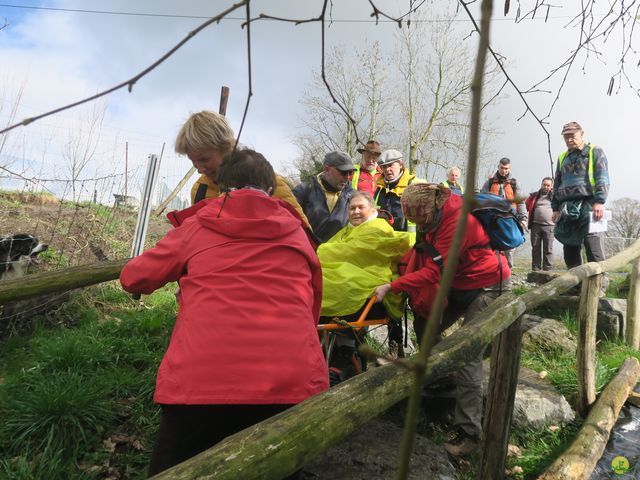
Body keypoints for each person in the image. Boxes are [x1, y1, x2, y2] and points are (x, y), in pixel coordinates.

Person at [120, 149, 328, 477]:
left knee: (178, 470)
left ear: (222, 185)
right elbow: (313, 303)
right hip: (289, 381)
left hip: (199, 384)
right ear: (271, 190)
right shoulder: (300, 235)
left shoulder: (197, 226)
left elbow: (134, 277)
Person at [374, 183, 510, 457]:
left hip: (487, 284)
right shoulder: (431, 216)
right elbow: (423, 251)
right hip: (460, 282)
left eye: (417, 218)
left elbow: (434, 273)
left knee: (467, 354)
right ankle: (442, 377)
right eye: (409, 217)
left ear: (431, 209)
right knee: (425, 323)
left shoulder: (457, 223)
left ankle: (469, 433)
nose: (414, 222)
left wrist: (393, 286)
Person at [318, 191, 414, 382]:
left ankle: (344, 355)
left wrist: (327, 251)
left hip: (373, 279)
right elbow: (326, 254)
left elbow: (356, 252)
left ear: (372, 209)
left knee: (346, 286)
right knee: (318, 280)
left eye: (361, 207)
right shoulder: (345, 231)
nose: (355, 212)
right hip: (345, 274)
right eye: (352, 208)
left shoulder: (379, 228)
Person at [175, 110, 308, 224]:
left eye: (204, 160)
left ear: (226, 148)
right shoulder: (200, 191)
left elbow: (303, 237)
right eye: (193, 162)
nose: (199, 169)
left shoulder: (268, 184)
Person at [374, 149, 424, 358]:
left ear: (401, 164)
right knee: (393, 296)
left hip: (414, 253)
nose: (387, 171)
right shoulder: (378, 189)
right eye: (384, 167)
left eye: (391, 166)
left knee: (419, 302)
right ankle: (395, 347)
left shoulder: (415, 184)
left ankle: (426, 352)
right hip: (389, 253)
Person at [552, 121, 610, 269]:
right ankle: (575, 287)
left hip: (590, 205)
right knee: (569, 248)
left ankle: (598, 288)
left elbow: (602, 177)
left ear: (582, 134)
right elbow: (556, 184)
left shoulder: (595, 151)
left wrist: (600, 201)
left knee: (593, 245)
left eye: (572, 136)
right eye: (566, 137)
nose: (569, 139)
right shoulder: (562, 157)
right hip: (567, 207)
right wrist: (555, 208)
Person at [293, 151, 355, 243]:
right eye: (343, 172)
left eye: (351, 173)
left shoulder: (354, 196)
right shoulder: (303, 191)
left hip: (336, 254)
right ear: (326, 169)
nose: (348, 177)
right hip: (307, 251)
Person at [480, 157, 527, 267]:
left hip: (510, 218)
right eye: (502, 168)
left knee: (510, 246)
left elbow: (520, 202)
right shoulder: (490, 182)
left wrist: (523, 218)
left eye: (506, 168)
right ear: (498, 167)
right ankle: (494, 272)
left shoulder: (515, 183)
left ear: (509, 168)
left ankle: (507, 272)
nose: (504, 170)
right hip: (493, 219)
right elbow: (482, 200)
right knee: (494, 245)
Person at [526, 177, 555, 271]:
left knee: (548, 249)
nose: (545, 187)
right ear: (541, 185)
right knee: (535, 248)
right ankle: (535, 268)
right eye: (544, 185)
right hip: (535, 226)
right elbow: (526, 205)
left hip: (550, 226)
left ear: (551, 186)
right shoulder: (534, 196)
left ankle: (548, 269)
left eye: (548, 185)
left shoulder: (554, 196)